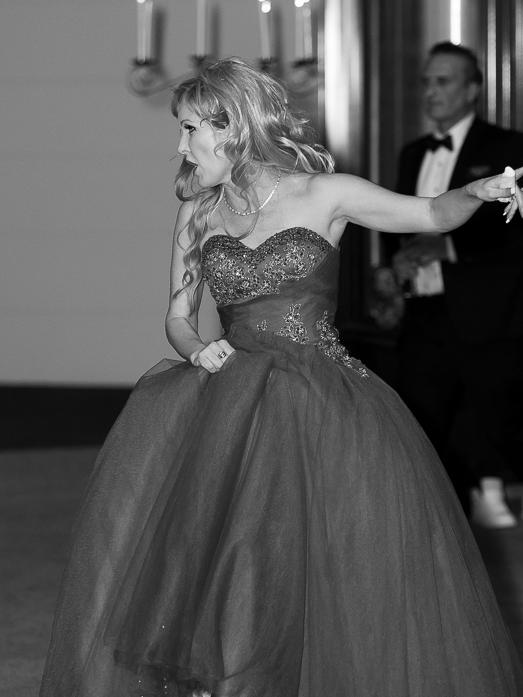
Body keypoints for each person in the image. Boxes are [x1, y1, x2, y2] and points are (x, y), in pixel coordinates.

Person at [39, 57, 523, 697]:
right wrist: (194, 351)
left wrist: (479, 192)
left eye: (189, 129)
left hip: (322, 403)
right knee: (224, 561)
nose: (181, 145)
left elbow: (429, 215)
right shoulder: (197, 212)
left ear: (230, 127)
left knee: (326, 563)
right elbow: (178, 316)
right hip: (228, 401)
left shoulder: (324, 194)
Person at [389, 41, 523, 526]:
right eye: (426, 81)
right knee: (421, 426)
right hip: (421, 312)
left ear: (473, 89)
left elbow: (515, 235)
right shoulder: (411, 154)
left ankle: (485, 494)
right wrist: (394, 269)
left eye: (442, 81)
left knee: (487, 418)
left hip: (483, 314)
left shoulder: (509, 148)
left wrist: (447, 249)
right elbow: (397, 224)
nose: (430, 91)